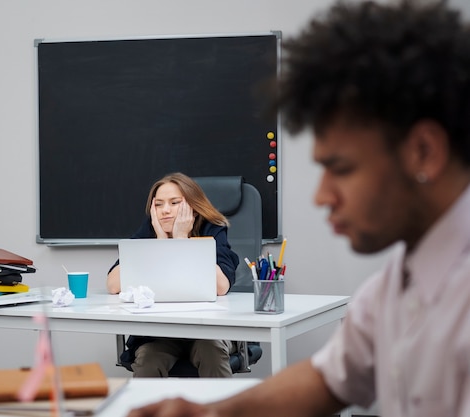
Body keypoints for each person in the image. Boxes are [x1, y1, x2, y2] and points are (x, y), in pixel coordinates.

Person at [127, 0, 470, 416]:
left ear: (423, 152)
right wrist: (211, 413)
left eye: (340, 168)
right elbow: (326, 379)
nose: (321, 197)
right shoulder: (396, 283)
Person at [107, 172, 240, 378]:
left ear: (192, 206)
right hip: (161, 333)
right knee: (148, 359)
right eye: (158, 204)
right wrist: (160, 243)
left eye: (174, 202)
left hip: (207, 329)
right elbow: (113, 284)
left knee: (211, 351)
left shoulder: (212, 228)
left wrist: (182, 240)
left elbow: (220, 286)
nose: (165, 211)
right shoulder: (151, 229)